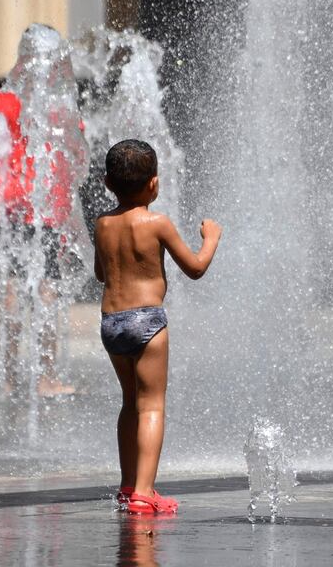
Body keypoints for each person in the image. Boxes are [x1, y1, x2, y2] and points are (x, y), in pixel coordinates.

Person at [94, 140, 221, 514]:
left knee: (130, 403)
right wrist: (210, 239)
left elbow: (101, 273)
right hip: (147, 320)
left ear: (106, 182)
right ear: (154, 184)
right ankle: (145, 493)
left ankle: (127, 484)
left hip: (111, 323)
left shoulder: (102, 223)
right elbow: (195, 268)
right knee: (152, 406)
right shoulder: (157, 222)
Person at [0, 89, 77, 398]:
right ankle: (46, 378)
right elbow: (76, 150)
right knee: (46, 292)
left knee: (10, 291)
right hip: (45, 204)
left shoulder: (1, 100)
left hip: (7, 205)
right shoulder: (58, 99)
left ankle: (8, 379)